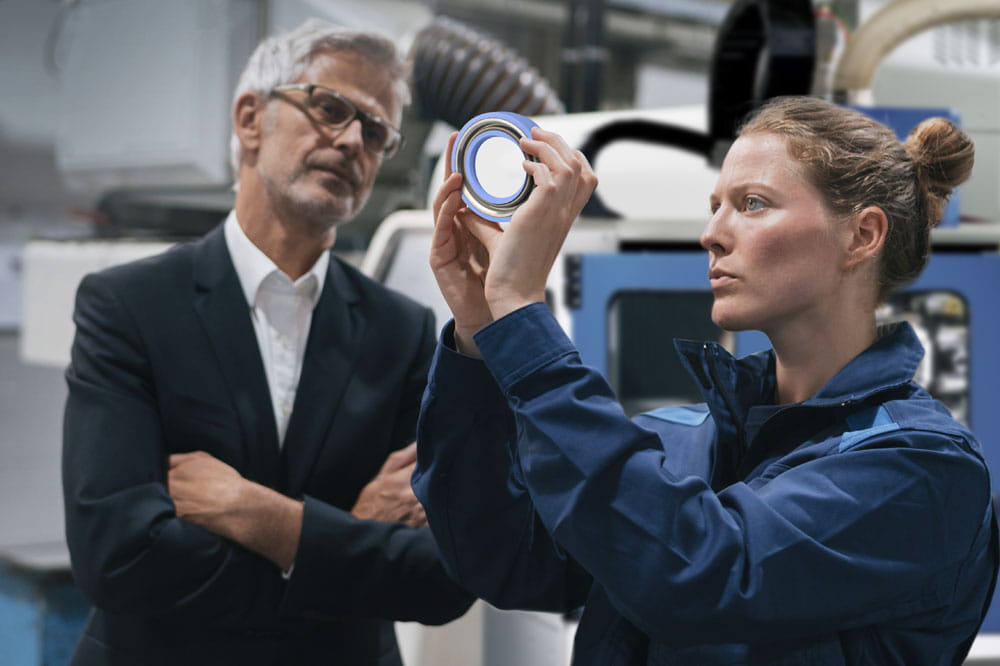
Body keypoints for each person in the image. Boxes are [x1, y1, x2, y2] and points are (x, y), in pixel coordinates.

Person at [413, 96, 998, 664]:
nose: (712, 234)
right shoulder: (680, 436)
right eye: (714, 206)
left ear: (862, 236)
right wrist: (479, 332)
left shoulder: (921, 467)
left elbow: (701, 573)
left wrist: (522, 317)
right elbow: (509, 558)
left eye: (752, 203)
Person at [62, 19, 471, 666]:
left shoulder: (402, 332)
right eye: (329, 108)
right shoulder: (130, 307)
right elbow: (117, 555)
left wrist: (259, 515)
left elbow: (446, 576)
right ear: (251, 119)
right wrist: (345, 537)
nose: (350, 141)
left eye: (375, 131)